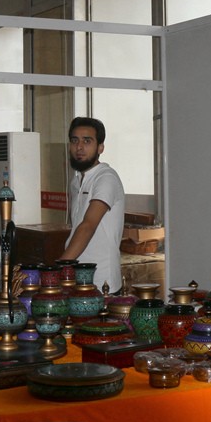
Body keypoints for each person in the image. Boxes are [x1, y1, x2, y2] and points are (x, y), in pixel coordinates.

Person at [62, 117, 126, 293]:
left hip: (102, 282)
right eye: (74, 140)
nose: (79, 147)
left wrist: (60, 268)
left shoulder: (106, 178)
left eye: (87, 141)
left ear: (100, 148)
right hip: (76, 278)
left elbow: (88, 225)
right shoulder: (76, 181)